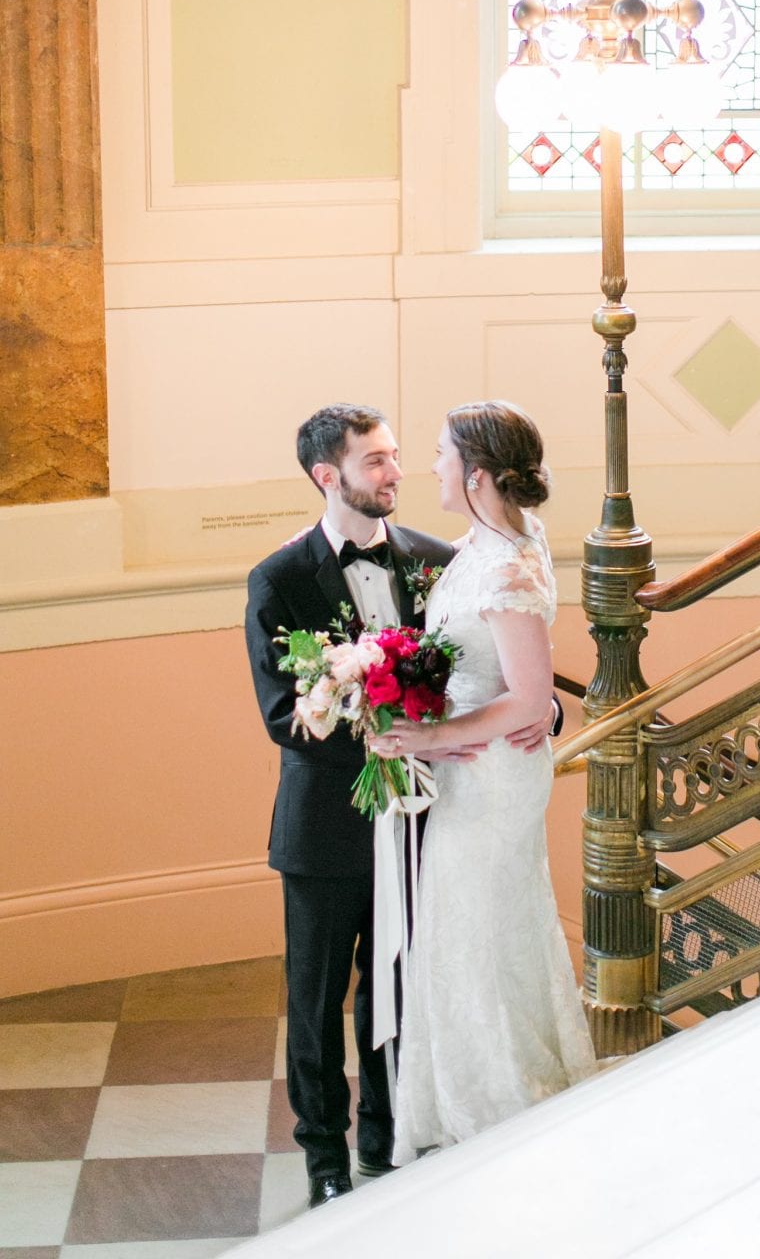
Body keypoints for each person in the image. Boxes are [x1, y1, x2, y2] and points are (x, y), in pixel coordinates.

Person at [245, 403, 556, 1208]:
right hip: (326, 825)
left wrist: (541, 711)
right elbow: (285, 715)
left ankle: (388, 1132)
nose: (396, 473)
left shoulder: (438, 558)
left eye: (396, 456)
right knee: (316, 999)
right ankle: (323, 1157)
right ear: (328, 475)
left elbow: (497, 659)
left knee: (404, 982)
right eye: (376, 462)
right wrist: (388, 737)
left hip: (433, 816)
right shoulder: (278, 579)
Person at [368, 399, 596, 1162]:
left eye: (439, 454)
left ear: (477, 474)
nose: (429, 466)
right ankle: (474, 1090)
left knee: (477, 929)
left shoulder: (508, 565)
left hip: (493, 774)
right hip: (477, 766)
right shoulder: (490, 544)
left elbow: (530, 698)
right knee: (480, 926)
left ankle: (500, 1102)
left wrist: (431, 735)